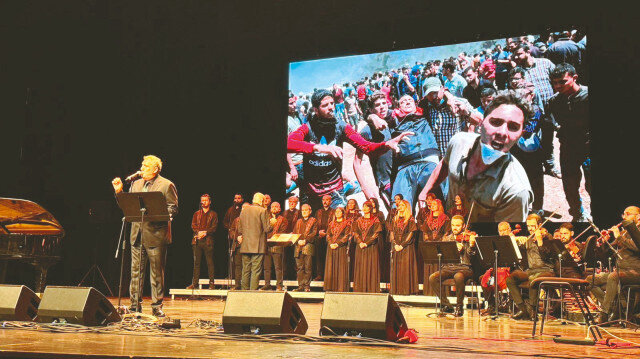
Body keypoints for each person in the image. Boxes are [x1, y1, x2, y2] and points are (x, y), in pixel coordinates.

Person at [419, 90, 533, 222]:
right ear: (482, 121)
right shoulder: (458, 142)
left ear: (521, 134)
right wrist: (425, 193)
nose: (502, 132)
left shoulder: (516, 191)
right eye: (496, 122)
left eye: (513, 127)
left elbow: (503, 239)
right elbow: (444, 164)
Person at [287, 89, 412, 209]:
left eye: (332, 103)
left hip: (335, 191)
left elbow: (367, 147)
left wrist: (386, 144)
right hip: (311, 192)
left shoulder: (341, 127)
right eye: (325, 105)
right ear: (316, 110)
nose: (331, 107)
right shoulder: (307, 128)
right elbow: (288, 144)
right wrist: (318, 148)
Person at [111, 155, 178, 317]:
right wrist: (119, 192)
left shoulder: (166, 185)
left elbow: (172, 208)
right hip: (137, 235)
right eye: (142, 165)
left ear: (156, 169)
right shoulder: (136, 183)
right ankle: (135, 305)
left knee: (156, 272)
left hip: (156, 235)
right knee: (135, 272)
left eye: (146, 166)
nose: (142, 168)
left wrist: (161, 215)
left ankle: (157, 306)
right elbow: (127, 207)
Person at [545, 63, 591, 221]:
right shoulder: (554, 101)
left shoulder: (588, 95)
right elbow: (543, 118)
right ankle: (578, 215)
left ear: (574, 78)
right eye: (554, 82)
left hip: (589, 147)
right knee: (570, 186)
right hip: (568, 148)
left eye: (562, 81)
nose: (557, 86)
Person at [588, 206, 640, 324]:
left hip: (636, 271)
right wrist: (604, 242)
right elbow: (608, 254)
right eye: (624, 214)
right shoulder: (624, 232)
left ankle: (604, 315)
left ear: (638, 216)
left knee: (613, 277)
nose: (624, 217)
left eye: (628, 214)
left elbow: (637, 247)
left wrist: (619, 237)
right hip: (621, 271)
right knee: (590, 280)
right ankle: (614, 310)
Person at [506, 213, 556, 320]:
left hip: (546, 270)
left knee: (534, 279)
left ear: (540, 225)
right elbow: (520, 258)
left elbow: (549, 256)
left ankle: (533, 310)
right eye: (528, 226)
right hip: (531, 270)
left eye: (533, 226)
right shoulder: (528, 239)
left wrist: (540, 242)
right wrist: (514, 242)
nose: (530, 229)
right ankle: (522, 308)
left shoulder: (548, 237)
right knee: (510, 279)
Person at [421, 77, 483, 157]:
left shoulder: (459, 103)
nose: (434, 96)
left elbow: (479, 121)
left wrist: (467, 113)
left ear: (442, 89)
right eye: (430, 94)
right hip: (438, 157)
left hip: (457, 154)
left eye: (435, 92)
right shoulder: (425, 107)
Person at [429, 215, 476, 317]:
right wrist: (452, 250)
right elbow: (443, 257)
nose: (455, 228)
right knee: (433, 278)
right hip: (449, 268)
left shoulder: (469, 237)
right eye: (453, 225)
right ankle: (447, 305)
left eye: (458, 225)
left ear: (463, 226)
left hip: (465, 268)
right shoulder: (446, 239)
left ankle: (459, 307)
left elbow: (472, 257)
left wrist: (471, 246)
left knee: (458, 276)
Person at [354, 91, 393, 204]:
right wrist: (365, 189)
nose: (382, 107)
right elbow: (357, 161)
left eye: (384, 103)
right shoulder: (366, 131)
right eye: (377, 105)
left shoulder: (393, 121)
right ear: (371, 110)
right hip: (385, 183)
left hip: (402, 177)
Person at [237, 193, 272, 290]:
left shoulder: (244, 211)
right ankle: (252, 293)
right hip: (258, 246)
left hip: (245, 246)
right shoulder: (263, 211)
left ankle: (244, 291)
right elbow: (267, 229)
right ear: (261, 201)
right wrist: (272, 223)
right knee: (256, 270)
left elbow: (239, 229)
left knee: (245, 270)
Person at [419, 198, 450, 295]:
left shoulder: (445, 218)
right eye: (431, 204)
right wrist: (429, 242)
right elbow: (425, 232)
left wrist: (440, 243)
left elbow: (447, 233)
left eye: (434, 204)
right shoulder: (428, 219)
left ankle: (441, 293)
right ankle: (429, 292)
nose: (432, 206)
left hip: (441, 247)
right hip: (430, 246)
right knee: (430, 267)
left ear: (439, 206)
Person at [389, 199, 419, 295]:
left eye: (402, 205)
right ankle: (397, 290)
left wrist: (402, 245)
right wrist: (395, 244)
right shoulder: (395, 219)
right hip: (396, 246)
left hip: (406, 247)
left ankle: (406, 290)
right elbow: (392, 233)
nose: (399, 207)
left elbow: (411, 233)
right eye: (399, 205)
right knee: (397, 268)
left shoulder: (410, 219)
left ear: (406, 207)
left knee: (405, 268)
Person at [188, 194, 217, 290]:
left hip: (208, 241)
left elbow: (214, 227)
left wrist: (206, 232)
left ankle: (211, 283)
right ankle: (194, 283)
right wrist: (198, 232)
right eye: (202, 200)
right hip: (197, 241)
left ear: (209, 202)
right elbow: (193, 225)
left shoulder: (213, 214)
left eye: (205, 200)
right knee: (196, 263)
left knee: (210, 263)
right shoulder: (197, 213)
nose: (203, 202)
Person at [352, 201, 383, 293]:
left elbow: (376, 234)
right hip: (360, 246)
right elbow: (356, 232)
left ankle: (371, 288)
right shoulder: (358, 220)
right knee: (360, 266)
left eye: (366, 207)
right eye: (363, 206)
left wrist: (367, 243)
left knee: (370, 266)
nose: (364, 208)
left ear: (370, 208)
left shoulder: (376, 220)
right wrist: (360, 242)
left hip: (371, 247)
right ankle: (360, 288)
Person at [261, 202, 288, 291]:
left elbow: (282, 232)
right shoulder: (266, 218)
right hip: (267, 246)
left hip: (277, 246)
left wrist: (273, 238)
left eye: (276, 206)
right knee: (266, 267)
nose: (274, 208)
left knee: (278, 267)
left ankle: (279, 285)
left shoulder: (283, 219)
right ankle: (267, 284)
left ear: (280, 208)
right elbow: (264, 230)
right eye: (273, 206)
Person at [324, 207, 351, 292]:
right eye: (336, 211)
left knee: (340, 267)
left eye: (339, 211)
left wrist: (337, 244)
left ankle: (340, 288)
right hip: (331, 247)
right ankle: (330, 287)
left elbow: (347, 236)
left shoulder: (347, 223)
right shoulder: (331, 223)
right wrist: (331, 243)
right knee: (330, 266)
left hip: (341, 248)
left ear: (343, 213)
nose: (337, 213)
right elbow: (328, 234)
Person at [292, 204, 318, 292]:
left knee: (308, 267)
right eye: (302, 210)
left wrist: (305, 241)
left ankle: (307, 286)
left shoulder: (313, 220)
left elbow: (314, 233)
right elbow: (295, 233)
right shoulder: (298, 221)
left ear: (310, 211)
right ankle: (300, 286)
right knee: (299, 268)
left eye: (306, 210)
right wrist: (297, 241)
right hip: (298, 247)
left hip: (308, 246)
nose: (304, 212)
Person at [314, 194, 334, 281]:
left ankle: (329, 275)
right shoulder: (318, 212)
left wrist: (327, 234)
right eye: (323, 200)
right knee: (319, 257)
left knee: (329, 257)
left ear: (331, 201)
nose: (325, 202)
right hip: (319, 237)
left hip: (329, 238)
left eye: (327, 200)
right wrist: (318, 232)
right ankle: (320, 275)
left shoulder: (333, 212)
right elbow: (314, 224)